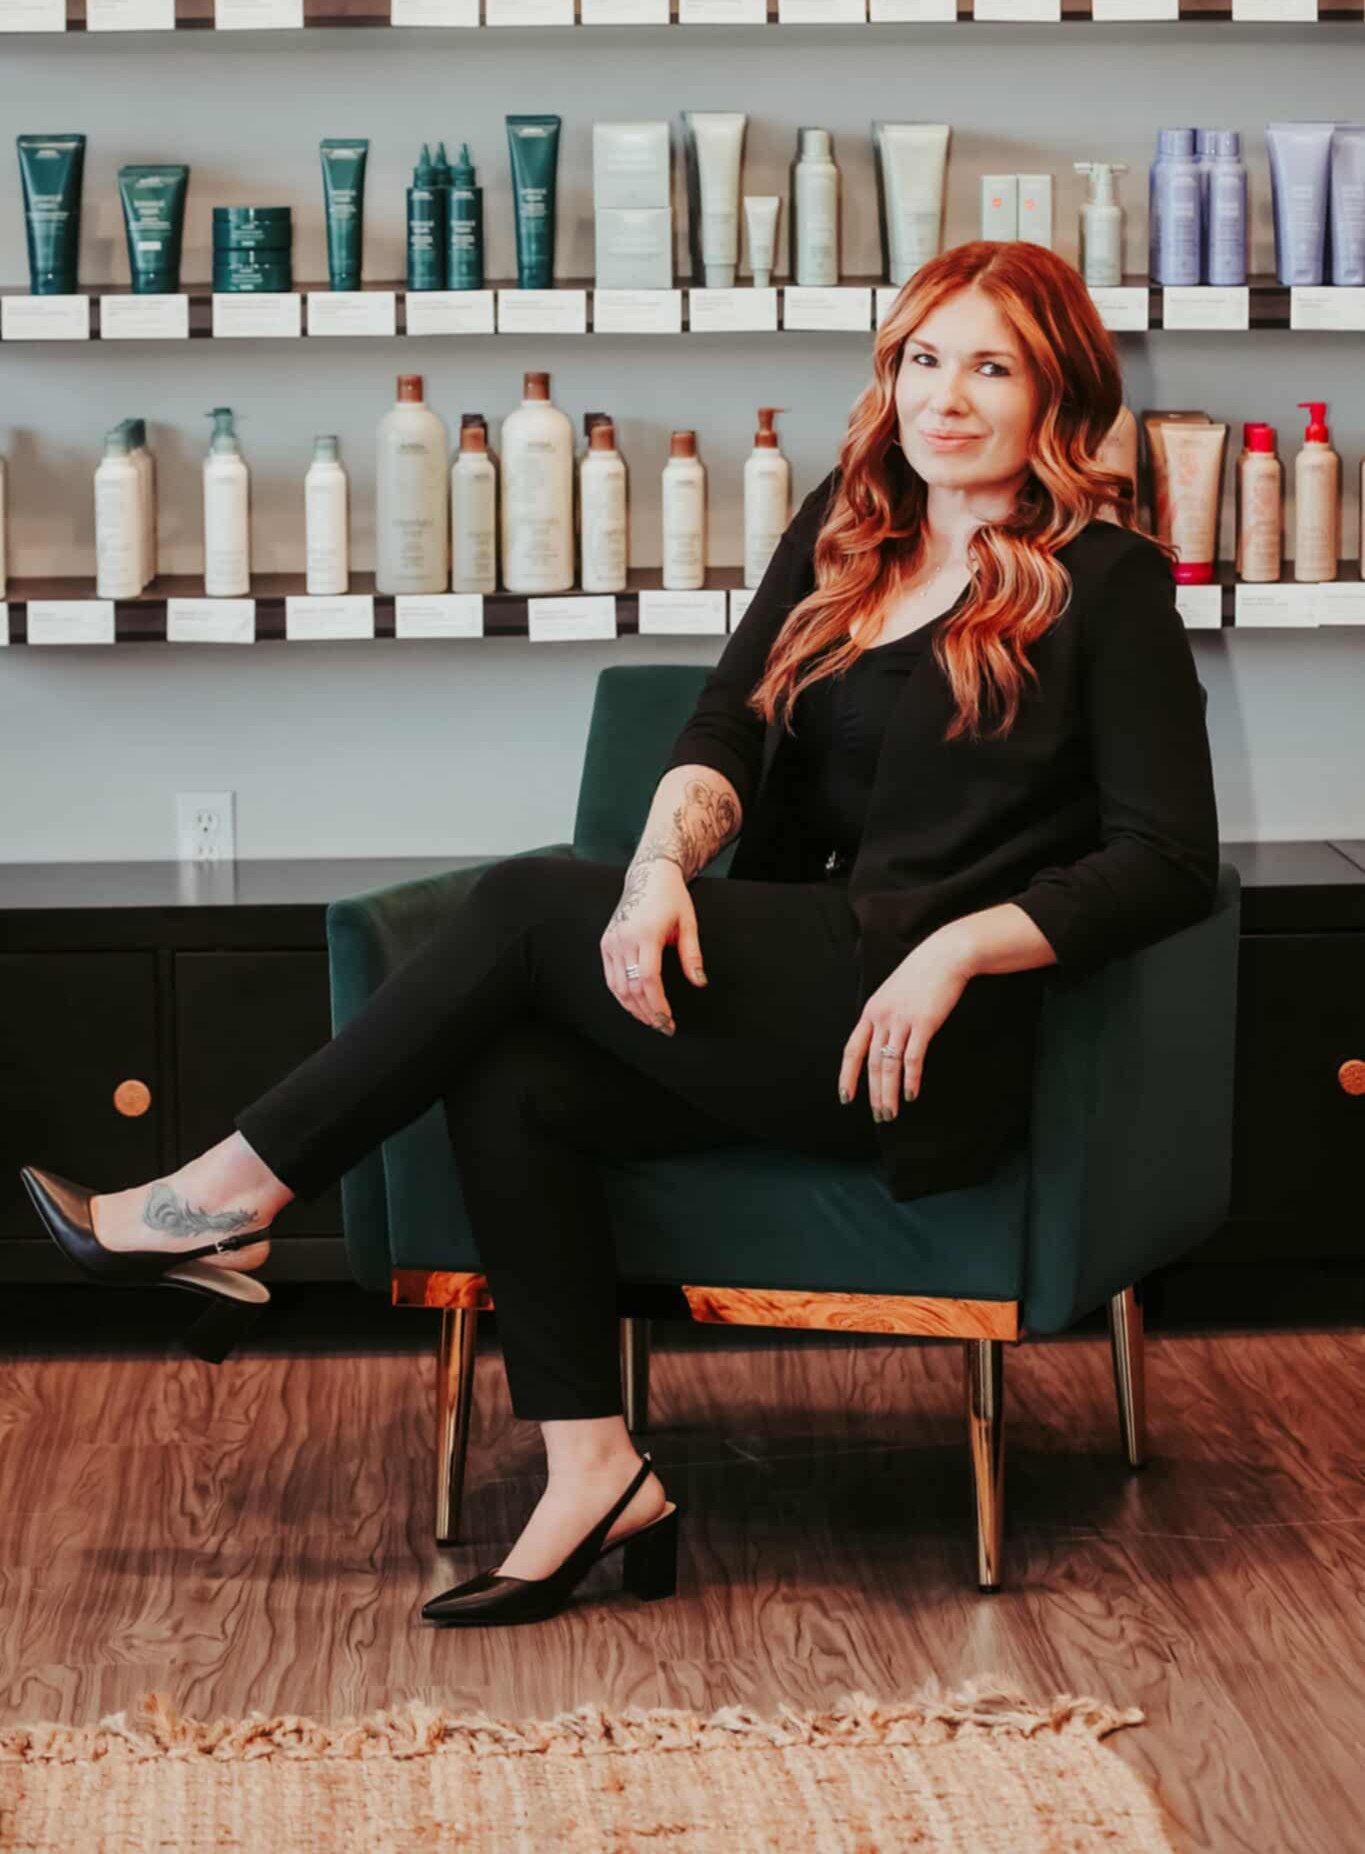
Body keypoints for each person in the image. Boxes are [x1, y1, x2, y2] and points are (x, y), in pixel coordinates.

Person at [20, 240, 1220, 1629]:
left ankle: (221, 1198)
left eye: (990, 367)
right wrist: (658, 871)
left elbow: (1165, 862)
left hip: (924, 1036)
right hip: (801, 973)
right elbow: (725, 726)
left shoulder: (1105, 582)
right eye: (922, 360)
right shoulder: (851, 527)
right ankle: (595, 1474)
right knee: (514, 1072)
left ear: (1056, 391)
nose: (944, 398)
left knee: (526, 901)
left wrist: (959, 950)